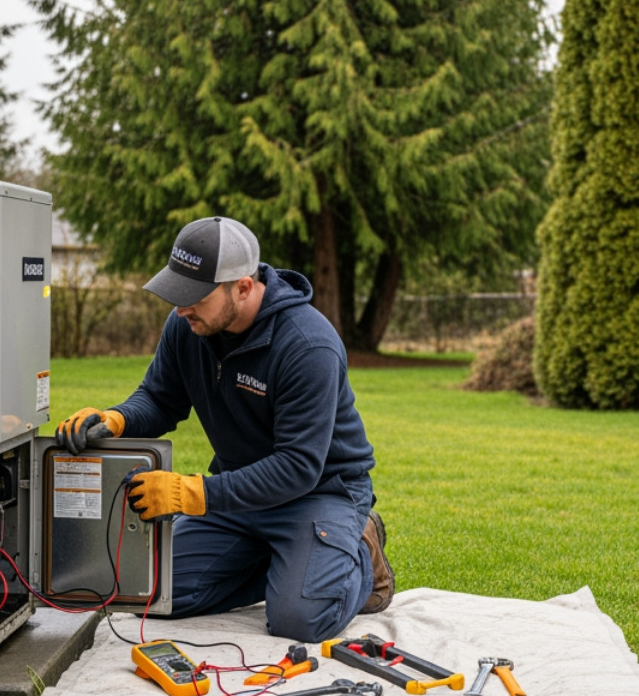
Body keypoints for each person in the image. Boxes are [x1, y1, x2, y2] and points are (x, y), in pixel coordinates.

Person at [55, 216, 393, 642]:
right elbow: (159, 399)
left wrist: (192, 494)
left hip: (320, 493)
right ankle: (286, 564)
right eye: (178, 293)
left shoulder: (308, 345)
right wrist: (115, 420)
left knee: (299, 619)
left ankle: (360, 549)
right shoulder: (188, 327)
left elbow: (297, 467)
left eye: (195, 296)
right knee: (147, 591)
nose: (181, 308)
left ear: (244, 288)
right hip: (241, 495)